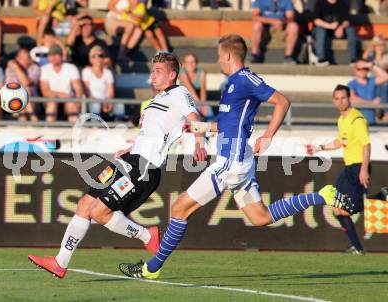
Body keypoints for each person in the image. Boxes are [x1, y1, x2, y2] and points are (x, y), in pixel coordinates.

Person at [118, 34, 354, 280]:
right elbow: (224, 125)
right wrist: (198, 129)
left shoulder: (244, 79)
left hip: (230, 161)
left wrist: (268, 135)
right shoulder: (232, 84)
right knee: (260, 217)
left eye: (220, 56)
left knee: (179, 208)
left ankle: (151, 269)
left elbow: (282, 102)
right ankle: (322, 195)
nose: (218, 60)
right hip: (237, 161)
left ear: (228, 55)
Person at [28, 52, 208, 279]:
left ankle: (147, 236)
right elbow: (152, 133)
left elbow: (196, 117)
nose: (153, 76)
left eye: (159, 71)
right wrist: (131, 149)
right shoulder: (155, 101)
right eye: (153, 71)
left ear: (172, 74)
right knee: (85, 204)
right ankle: (59, 262)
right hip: (129, 160)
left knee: (99, 212)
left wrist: (199, 144)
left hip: (144, 168)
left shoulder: (179, 93)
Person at [306, 85, 370, 255]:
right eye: (338, 98)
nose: (341, 101)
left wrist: (364, 169)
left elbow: (366, 144)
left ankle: (379, 199)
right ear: (334, 101)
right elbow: (340, 142)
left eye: (344, 98)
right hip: (349, 168)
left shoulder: (357, 119)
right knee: (335, 205)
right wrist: (319, 148)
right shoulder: (342, 120)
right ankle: (357, 247)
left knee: (349, 207)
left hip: (358, 166)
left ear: (349, 98)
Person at [39, 43, 83, 122]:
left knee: (72, 105)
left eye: (56, 54)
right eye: (51, 55)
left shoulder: (71, 68)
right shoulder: (44, 69)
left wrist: (77, 103)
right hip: (52, 99)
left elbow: (78, 89)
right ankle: (49, 130)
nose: (53, 57)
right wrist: (61, 94)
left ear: (62, 56)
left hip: (68, 99)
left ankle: (74, 132)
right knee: (52, 103)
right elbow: (45, 92)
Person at [82, 45, 123, 121]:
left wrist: (107, 101)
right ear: (90, 59)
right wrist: (96, 100)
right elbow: (87, 91)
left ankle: (119, 125)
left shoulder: (108, 73)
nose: (97, 58)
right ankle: (94, 125)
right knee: (95, 105)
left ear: (103, 58)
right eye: (94, 56)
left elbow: (110, 93)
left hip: (105, 100)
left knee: (119, 104)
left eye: (100, 55)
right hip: (91, 100)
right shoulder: (86, 71)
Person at [312, 0, 358, 66]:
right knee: (320, 30)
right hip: (322, 29)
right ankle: (321, 59)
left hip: (337, 29)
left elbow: (346, 21)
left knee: (350, 30)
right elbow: (316, 21)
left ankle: (353, 59)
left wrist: (341, 28)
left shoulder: (343, 4)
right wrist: (330, 26)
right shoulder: (320, 3)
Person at [348, 58, 388, 125]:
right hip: (356, 123)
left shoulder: (371, 81)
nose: (362, 71)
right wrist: (372, 102)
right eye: (359, 69)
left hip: (371, 121)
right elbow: (353, 99)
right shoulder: (351, 84)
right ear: (355, 70)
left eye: (365, 69)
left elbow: (386, 77)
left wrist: (370, 65)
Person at [5, 48, 41, 121]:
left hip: (33, 101)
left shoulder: (35, 67)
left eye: (27, 58)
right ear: (17, 59)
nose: (26, 61)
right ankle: (33, 118)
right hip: (14, 100)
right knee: (22, 111)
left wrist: (16, 68)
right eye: (22, 59)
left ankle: (32, 118)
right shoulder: (10, 69)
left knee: (25, 91)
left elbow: (26, 82)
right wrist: (15, 67)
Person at [178, 53, 212, 120]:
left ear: (196, 63)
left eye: (193, 61)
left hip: (198, 99)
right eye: (188, 62)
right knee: (195, 111)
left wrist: (203, 103)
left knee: (208, 110)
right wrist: (200, 104)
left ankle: (210, 127)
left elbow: (203, 89)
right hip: (184, 100)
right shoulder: (182, 72)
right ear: (184, 64)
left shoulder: (201, 71)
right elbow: (189, 87)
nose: (190, 64)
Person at [363, 35, 388, 121]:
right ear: (374, 46)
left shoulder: (386, 57)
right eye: (378, 45)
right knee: (373, 85)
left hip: (382, 80)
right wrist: (372, 46)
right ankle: (380, 113)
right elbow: (362, 61)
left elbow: (384, 69)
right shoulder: (370, 56)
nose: (380, 47)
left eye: (382, 45)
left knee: (384, 85)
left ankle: (384, 113)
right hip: (372, 81)